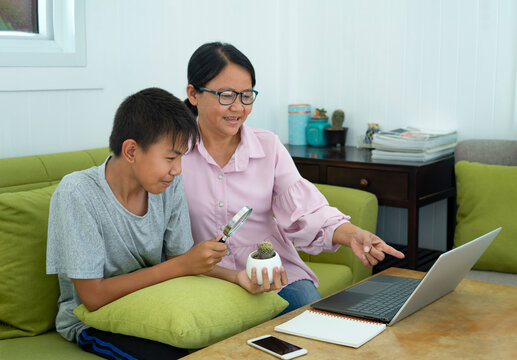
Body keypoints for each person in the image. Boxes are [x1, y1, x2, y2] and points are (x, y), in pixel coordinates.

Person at [182, 42, 405, 315]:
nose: (238, 107)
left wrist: (353, 235)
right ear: (193, 94)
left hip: (273, 271)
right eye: (226, 95)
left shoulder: (268, 146)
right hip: (206, 275)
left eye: (247, 95)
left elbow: (306, 213)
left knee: (313, 318)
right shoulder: (171, 152)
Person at [46, 87, 227, 360]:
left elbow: (183, 258)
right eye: (170, 157)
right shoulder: (77, 193)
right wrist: (181, 264)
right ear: (131, 150)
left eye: (180, 158)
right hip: (93, 321)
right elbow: (92, 297)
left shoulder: (169, 184)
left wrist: (238, 277)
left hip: (153, 304)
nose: (177, 169)